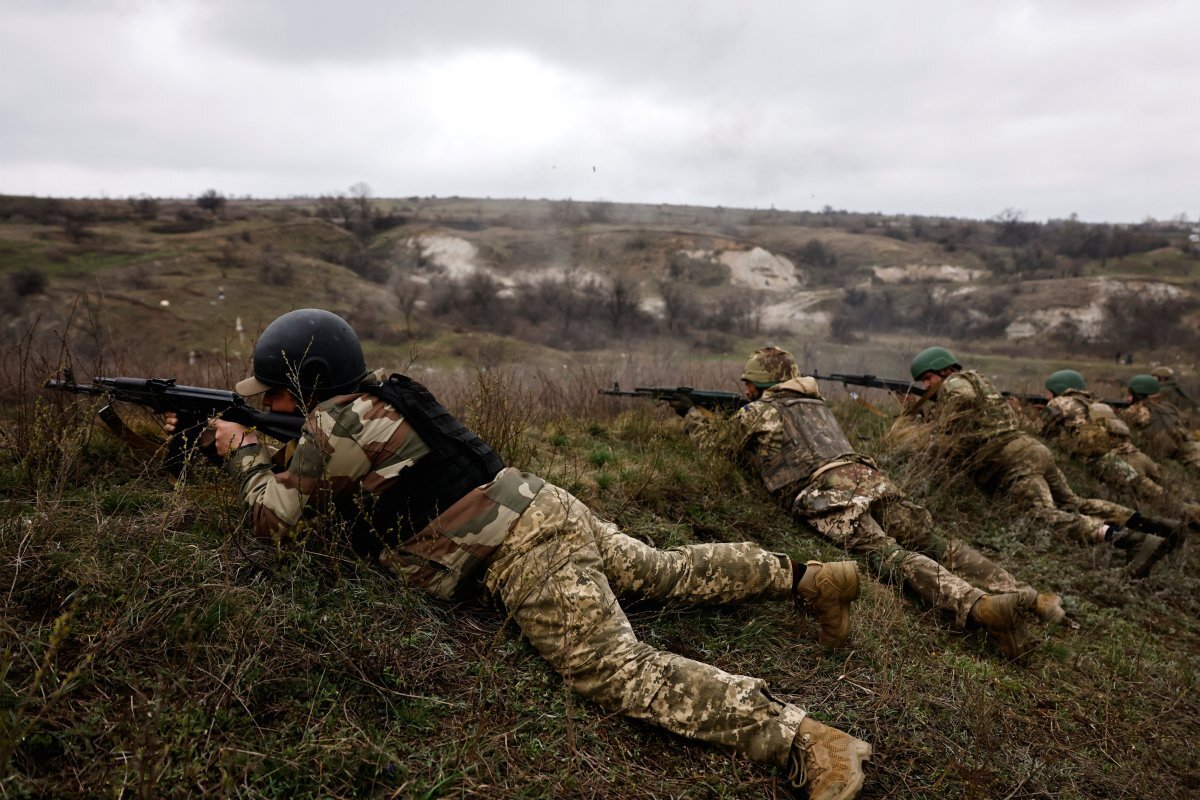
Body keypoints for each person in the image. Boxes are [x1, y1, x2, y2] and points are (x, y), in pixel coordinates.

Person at [171, 309, 872, 800]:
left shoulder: (335, 425)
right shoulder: (376, 397)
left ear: (309, 384)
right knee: (662, 569)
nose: (274, 402)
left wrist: (244, 451)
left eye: (279, 392)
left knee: (617, 673)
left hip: (521, 549)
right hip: (541, 503)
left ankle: (808, 739)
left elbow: (278, 517)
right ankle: (811, 578)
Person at [672, 346, 1064, 662]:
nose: (744, 391)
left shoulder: (758, 413)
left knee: (889, 557)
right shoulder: (815, 404)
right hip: (870, 478)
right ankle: (1030, 598)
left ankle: (981, 608)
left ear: (760, 384)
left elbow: (716, 449)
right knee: (938, 544)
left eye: (748, 384)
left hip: (829, 492)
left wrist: (692, 415)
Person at [905, 346, 1178, 579]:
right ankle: (1154, 526)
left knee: (1041, 515)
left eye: (928, 379)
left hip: (1015, 460)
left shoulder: (956, 383)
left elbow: (961, 401)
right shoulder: (978, 379)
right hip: (1032, 449)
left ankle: (1131, 539)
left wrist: (939, 428)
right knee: (1074, 502)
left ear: (943, 370)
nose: (926, 386)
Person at [1041, 369, 1198, 529]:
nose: (1047, 397)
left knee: (1153, 495)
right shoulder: (1096, 403)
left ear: (1057, 389)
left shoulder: (1059, 402)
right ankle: (1193, 506)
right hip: (1134, 453)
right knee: (1168, 488)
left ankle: (1193, 516)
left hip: (1110, 461)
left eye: (1048, 393)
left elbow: (1039, 429)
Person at [1120, 374, 1200, 471]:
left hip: (1160, 458)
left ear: (1138, 395)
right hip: (1181, 450)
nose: (1128, 399)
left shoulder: (1136, 412)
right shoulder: (1169, 408)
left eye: (1130, 395)